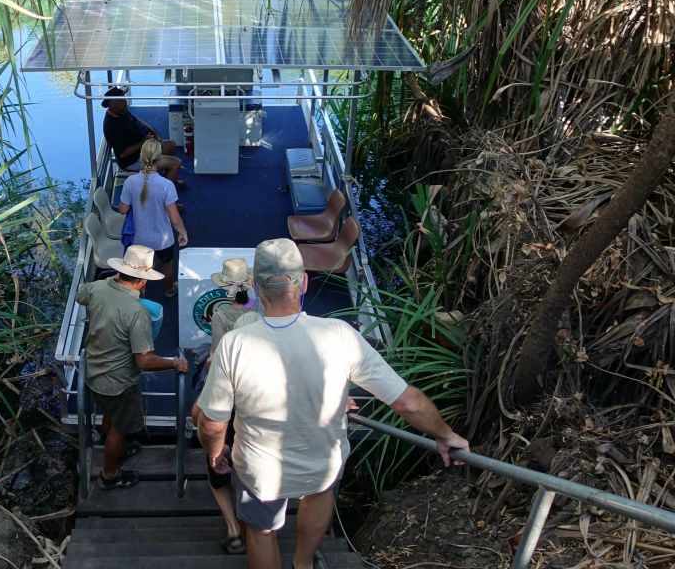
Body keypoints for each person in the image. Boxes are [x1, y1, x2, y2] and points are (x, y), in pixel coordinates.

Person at [195, 238, 469, 569]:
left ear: (256, 286)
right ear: (304, 282)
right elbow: (407, 402)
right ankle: (303, 563)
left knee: (262, 530)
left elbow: (212, 423)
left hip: (259, 471)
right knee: (319, 495)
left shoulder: (235, 343)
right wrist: (444, 434)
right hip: (322, 463)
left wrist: (214, 452)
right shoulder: (338, 334)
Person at [76, 244, 189, 490]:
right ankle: (109, 474)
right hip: (119, 382)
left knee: (110, 414)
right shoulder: (137, 313)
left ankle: (116, 448)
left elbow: (80, 295)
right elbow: (144, 360)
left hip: (94, 371)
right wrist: (174, 363)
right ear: (142, 281)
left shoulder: (98, 288)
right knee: (120, 426)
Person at [196, 257, 254, 555]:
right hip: (255, 402)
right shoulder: (262, 312)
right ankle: (251, 525)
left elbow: (216, 356)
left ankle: (233, 530)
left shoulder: (221, 315)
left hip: (228, 398)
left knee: (218, 470)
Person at [118, 140, 188, 298]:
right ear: (160, 158)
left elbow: (123, 209)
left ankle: (141, 296)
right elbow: (175, 217)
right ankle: (170, 289)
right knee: (167, 265)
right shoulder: (166, 185)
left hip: (139, 239)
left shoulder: (130, 182)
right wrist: (183, 233)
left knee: (140, 271)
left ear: (141, 158)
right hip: (163, 240)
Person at [102, 86, 184, 186]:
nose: (125, 102)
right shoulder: (112, 126)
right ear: (112, 104)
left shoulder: (121, 111)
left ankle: (168, 182)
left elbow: (137, 120)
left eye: (124, 98)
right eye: (121, 100)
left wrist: (152, 130)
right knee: (176, 163)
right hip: (133, 160)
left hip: (144, 148)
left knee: (171, 145)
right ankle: (165, 199)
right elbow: (123, 154)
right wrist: (145, 141)